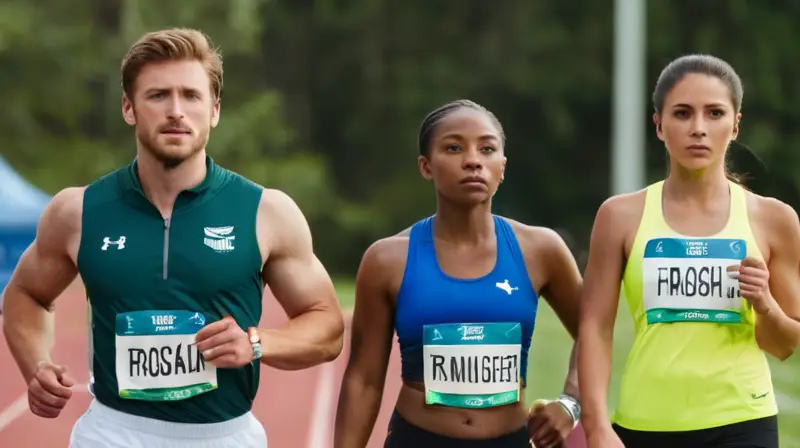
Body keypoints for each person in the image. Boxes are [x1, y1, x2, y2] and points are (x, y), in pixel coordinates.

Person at [1, 28, 345, 448]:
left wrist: (257, 342)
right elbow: (25, 295)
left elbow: (327, 326)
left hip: (224, 436)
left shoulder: (266, 212)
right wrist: (37, 363)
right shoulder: (78, 211)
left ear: (215, 110)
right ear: (129, 108)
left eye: (192, 96)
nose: (176, 111)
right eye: (158, 95)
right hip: (112, 433)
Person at [577, 54, 800, 448]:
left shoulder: (774, 219)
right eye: (682, 114)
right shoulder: (618, 217)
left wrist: (765, 305)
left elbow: (784, 345)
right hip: (644, 423)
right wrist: (596, 427)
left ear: (735, 125)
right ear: (659, 126)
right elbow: (595, 327)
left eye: (715, 113)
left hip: (743, 422)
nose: (699, 128)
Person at [333, 99, 583, 448]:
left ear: (502, 166)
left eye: (487, 149)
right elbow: (364, 379)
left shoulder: (541, 250)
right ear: (426, 166)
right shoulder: (387, 259)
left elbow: (593, 332)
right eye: (453, 148)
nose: (473, 160)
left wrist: (571, 403)